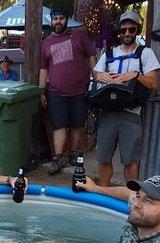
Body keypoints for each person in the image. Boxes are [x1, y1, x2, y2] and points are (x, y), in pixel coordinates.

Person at [93, 11, 160, 187]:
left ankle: (132, 195)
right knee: (103, 157)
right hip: (107, 111)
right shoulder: (109, 52)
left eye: (131, 29)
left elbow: (153, 83)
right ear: (119, 32)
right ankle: (103, 192)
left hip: (130, 113)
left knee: (130, 160)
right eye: (124, 30)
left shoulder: (145, 53)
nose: (127, 34)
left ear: (137, 30)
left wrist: (135, 75)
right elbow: (96, 73)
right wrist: (102, 76)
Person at [39, 7, 96, 174]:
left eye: (61, 18)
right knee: (59, 125)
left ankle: (73, 154)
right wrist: (41, 91)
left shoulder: (79, 36)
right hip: (56, 92)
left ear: (67, 20)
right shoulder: (46, 43)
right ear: (51, 21)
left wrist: (97, 76)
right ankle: (58, 158)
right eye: (55, 18)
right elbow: (43, 69)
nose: (58, 21)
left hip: (80, 90)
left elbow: (91, 56)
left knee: (77, 125)